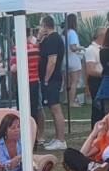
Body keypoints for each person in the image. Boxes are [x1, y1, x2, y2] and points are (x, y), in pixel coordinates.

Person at [37, 16, 67, 150]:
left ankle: (61, 139)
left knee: (55, 108)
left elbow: (52, 61)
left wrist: (46, 79)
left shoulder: (53, 39)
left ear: (44, 25)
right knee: (52, 108)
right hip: (50, 79)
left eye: (40, 25)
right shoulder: (48, 39)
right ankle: (57, 137)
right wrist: (39, 39)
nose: (39, 28)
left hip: (52, 79)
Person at [9, 27, 43, 139]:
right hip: (34, 81)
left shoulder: (16, 49)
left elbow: (14, 68)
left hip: (23, 83)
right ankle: (34, 137)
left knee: (22, 112)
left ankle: (24, 136)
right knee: (33, 111)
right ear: (30, 35)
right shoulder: (36, 49)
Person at [83, 26, 106, 127]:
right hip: (96, 81)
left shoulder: (103, 48)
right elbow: (90, 70)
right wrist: (106, 74)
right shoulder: (91, 50)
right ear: (101, 36)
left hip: (103, 80)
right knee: (98, 108)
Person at [65, 14, 84, 106]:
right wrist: (81, 48)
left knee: (67, 81)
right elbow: (73, 47)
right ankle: (72, 101)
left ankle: (67, 99)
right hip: (72, 59)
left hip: (64, 60)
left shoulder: (64, 33)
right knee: (74, 81)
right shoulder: (72, 32)